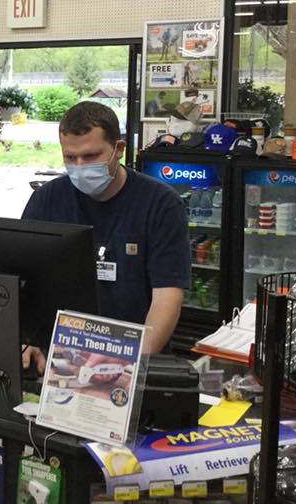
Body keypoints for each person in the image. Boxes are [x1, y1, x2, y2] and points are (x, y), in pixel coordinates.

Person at [21, 101, 189, 370]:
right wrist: (29, 340)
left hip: (133, 353)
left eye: (90, 156)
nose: (79, 166)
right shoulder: (46, 200)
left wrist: (132, 365)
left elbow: (167, 296)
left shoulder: (161, 204)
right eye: (70, 158)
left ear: (119, 149)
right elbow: (24, 280)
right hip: (60, 355)